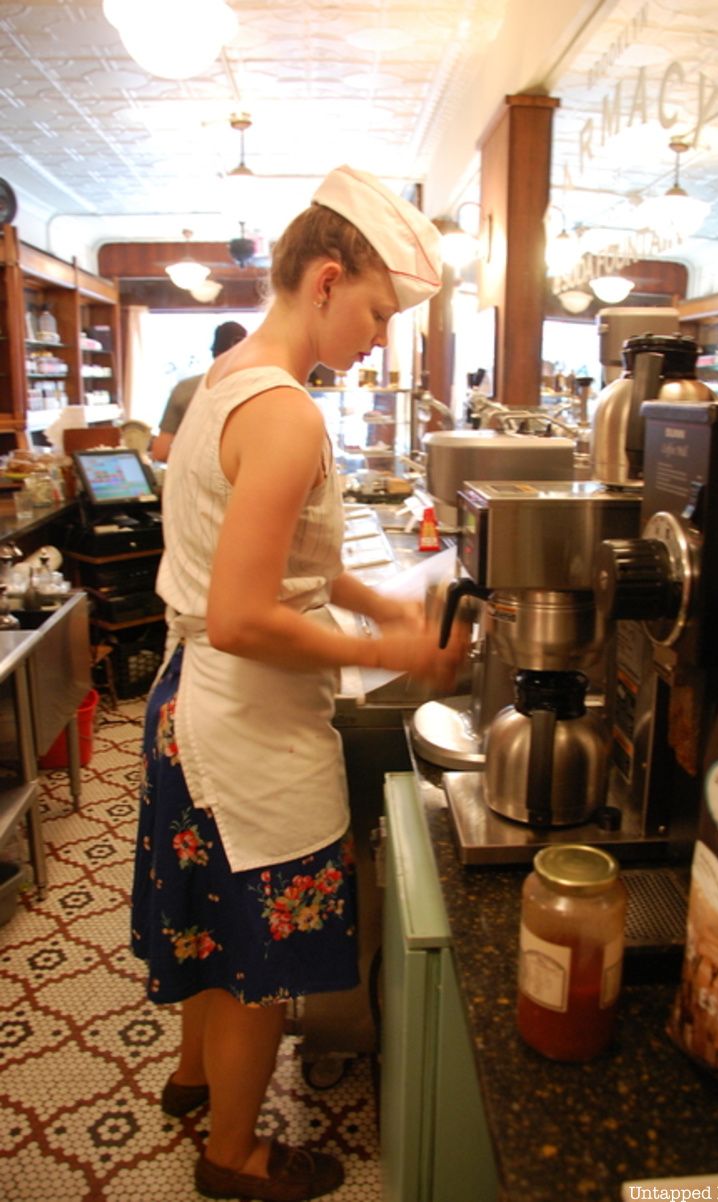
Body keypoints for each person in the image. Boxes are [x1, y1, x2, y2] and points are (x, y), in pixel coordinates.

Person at [130, 165, 464, 1202]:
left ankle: (193, 1074)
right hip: (244, 722)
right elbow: (243, 611)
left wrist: (366, 604)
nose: (377, 337)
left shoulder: (228, 379)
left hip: (193, 700)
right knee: (251, 951)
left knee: (203, 913)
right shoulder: (288, 414)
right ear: (325, 279)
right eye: (374, 312)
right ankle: (233, 1153)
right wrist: (402, 654)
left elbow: (278, 557)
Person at [150, 321, 247, 462]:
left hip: (191, 479)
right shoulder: (257, 390)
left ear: (215, 352)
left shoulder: (184, 389)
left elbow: (161, 452)